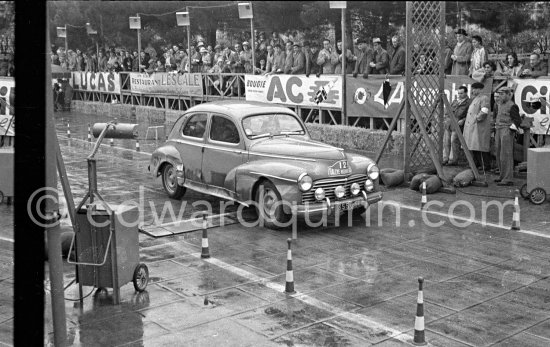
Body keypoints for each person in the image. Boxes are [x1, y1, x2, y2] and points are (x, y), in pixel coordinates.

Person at [493, 86, 522, 186]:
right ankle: (502, 176)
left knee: (506, 155)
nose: (500, 96)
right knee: (498, 154)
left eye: (502, 94)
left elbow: (518, 120)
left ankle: (508, 179)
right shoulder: (499, 104)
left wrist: (510, 130)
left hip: (506, 130)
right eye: (499, 94)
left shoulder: (512, 106)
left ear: (508, 95)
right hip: (498, 129)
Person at [463, 82, 492, 172]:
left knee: (480, 147)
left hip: (479, 127)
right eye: (472, 89)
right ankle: (477, 164)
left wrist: (476, 119)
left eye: (474, 89)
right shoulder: (475, 99)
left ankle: (485, 165)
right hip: (473, 126)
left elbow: (484, 111)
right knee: (474, 147)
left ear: (480, 89)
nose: (473, 91)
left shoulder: (484, 98)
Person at [443, 86, 470, 166]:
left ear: (466, 93)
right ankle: (445, 158)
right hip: (449, 124)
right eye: (458, 93)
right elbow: (447, 111)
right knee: (446, 142)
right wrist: (446, 119)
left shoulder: (469, 102)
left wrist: (464, 120)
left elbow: (469, 115)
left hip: (457, 125)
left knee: (454, 142)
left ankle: (453, 160)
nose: (459, 95)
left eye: (461, 93)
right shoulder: (455, 101)